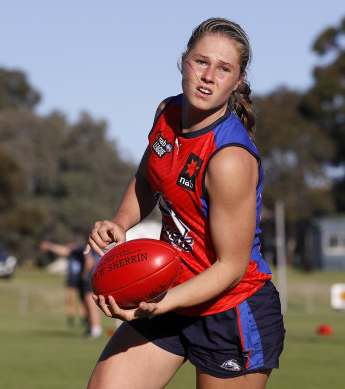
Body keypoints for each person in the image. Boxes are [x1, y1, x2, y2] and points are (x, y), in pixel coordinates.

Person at [86, 17, 285, 389]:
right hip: (169, 294)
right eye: (201, 62)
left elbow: (231, 267)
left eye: (223, 69)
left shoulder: (229, 159)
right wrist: (121, 221)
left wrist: (165, 301)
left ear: (237, 81)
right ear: (184, 62)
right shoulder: (167, 113)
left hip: (230, 310)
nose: (209, 76)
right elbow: (148, 176)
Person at [40, 240, 103, 339]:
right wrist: (50, 246)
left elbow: (89, 261)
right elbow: (65, 251)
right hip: (85, 281)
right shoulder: (79, 250)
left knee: (91, 304)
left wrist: (83, 274)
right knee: (87, 305)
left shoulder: (87, 249)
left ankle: (95, 328)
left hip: (88, 280)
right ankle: (91, 327)